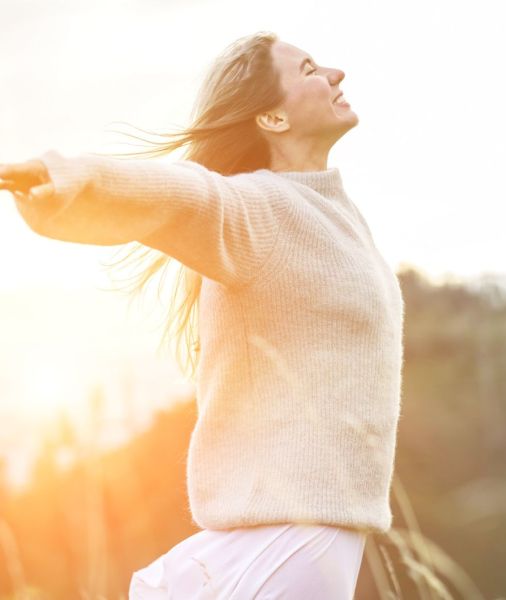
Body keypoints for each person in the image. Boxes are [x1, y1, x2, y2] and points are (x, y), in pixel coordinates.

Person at [0, 31, 405, 599]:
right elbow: (179, 194)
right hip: (285, 544)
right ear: (273, 119)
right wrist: (55, 177)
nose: (336, 73)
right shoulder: (257, 210)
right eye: (310, 69)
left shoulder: (336, 214)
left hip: (316, 540)